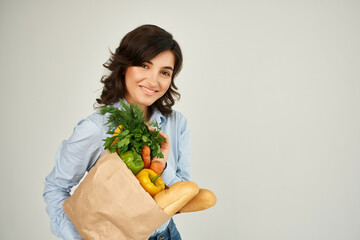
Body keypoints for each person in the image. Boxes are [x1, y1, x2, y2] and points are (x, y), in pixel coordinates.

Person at [43, 24, 190, 240]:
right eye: (144, 65)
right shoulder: (95, 128)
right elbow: (55, 188)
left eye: (165, 72)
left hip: (168, 234)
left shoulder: (176, 123)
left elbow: (184, 196)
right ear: (124, 67)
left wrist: (161, 165)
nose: (153, 81)